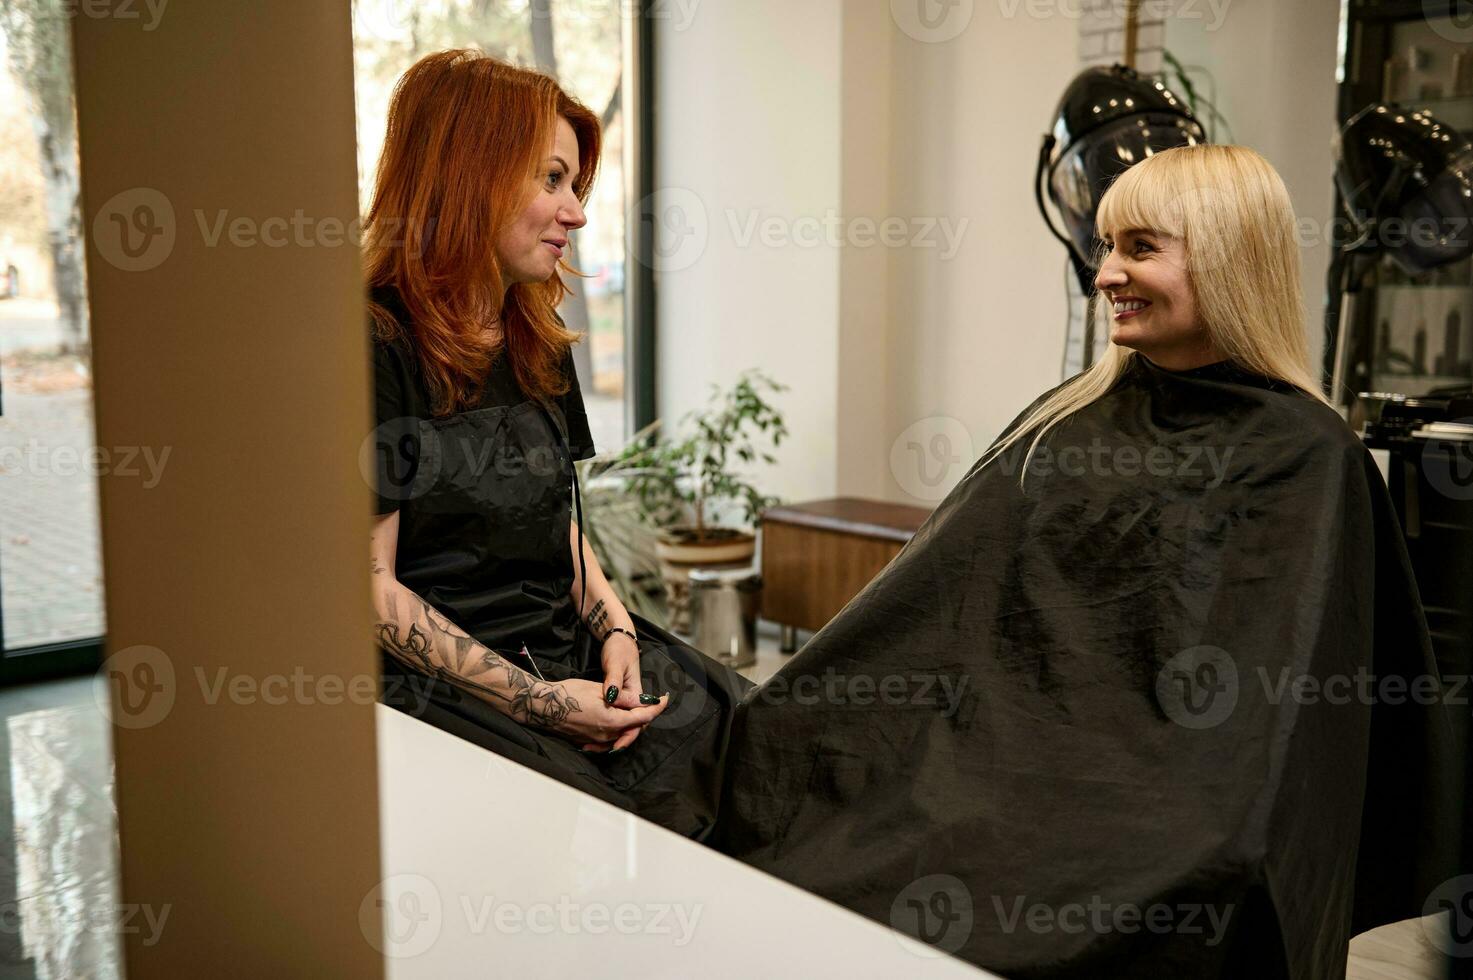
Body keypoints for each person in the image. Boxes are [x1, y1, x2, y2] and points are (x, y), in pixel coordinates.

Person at [709, 144, 1459, 977]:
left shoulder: (1309, 458)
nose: (1104, 274)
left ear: (1229, 257)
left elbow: (1283, 734)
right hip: (994, 774)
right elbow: (925, 609)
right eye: (1105, 247)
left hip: (1174, 813)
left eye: (1139, 247)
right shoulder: (1062, 421)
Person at [364, 49, 750, 839]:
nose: (574, 212)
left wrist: (615, 630)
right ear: (466, 174)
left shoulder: (534, 332)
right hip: (445, 686)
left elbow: (556, 525)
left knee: (748, 736)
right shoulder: (374, 344)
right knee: (629, 822)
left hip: (560, 644)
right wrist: (538, 702)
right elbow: (368, 589)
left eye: (574, 185)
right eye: (551, 180)